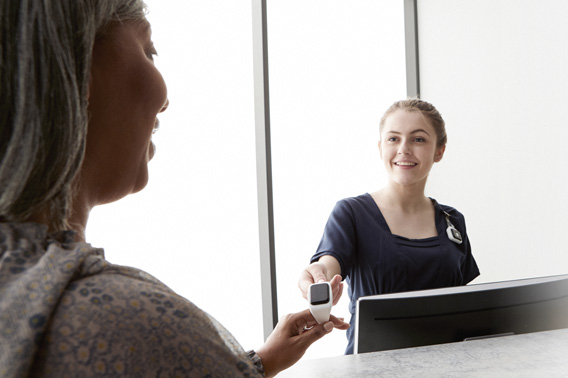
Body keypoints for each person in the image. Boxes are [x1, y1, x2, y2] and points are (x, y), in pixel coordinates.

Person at [0, 1, 349, 377]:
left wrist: (258, 362)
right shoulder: (137, 328)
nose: (165, 101)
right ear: (76, 69)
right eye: (149, 51)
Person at [298, 98, 480, 354]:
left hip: (447, 367)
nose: (404, 149)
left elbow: (463, 306)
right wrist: (319, 275)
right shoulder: (352, 213)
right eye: (393, 139)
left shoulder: (453, 220)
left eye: (418, 139)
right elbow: (329, 264)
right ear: (381, 147)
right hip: (373, 369)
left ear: (439, 151)